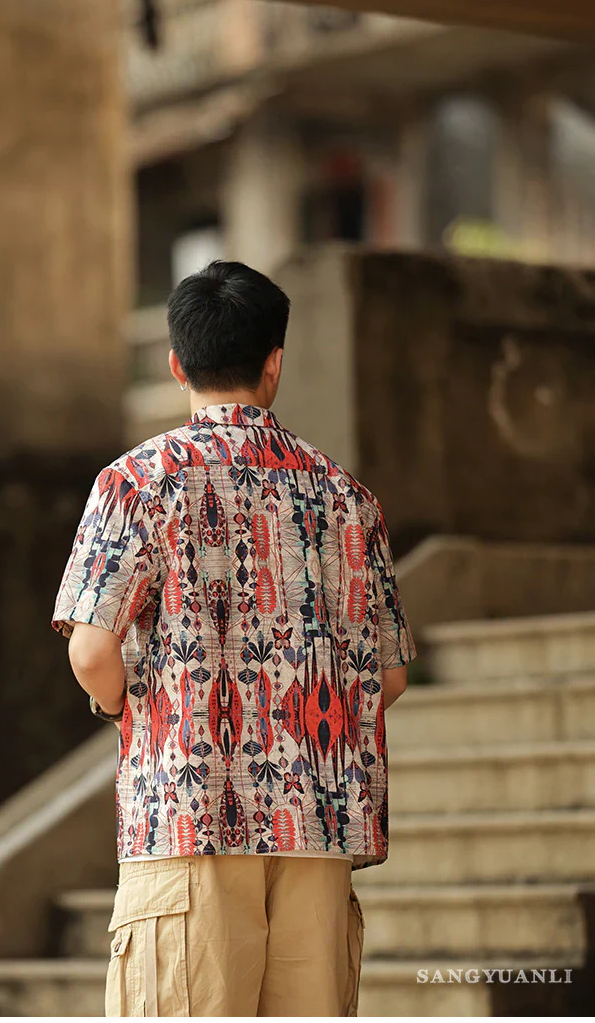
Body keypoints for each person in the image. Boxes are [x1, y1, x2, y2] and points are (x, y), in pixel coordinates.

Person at [52, 260, 416, 1017]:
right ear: (274, 362)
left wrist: (128, 712)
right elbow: (388, 678)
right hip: (318, 831)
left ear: (176, 364)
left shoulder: (137, 482)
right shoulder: (348, 498)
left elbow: (91, 651)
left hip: (189, 820)